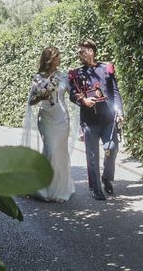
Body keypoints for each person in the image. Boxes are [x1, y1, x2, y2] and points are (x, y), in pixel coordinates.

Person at [68, 39, 124, 201]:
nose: (79, 54)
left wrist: (119, 111)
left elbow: (115, 91)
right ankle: (95, 188)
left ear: (91, 51)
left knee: (111, 148)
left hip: (108, 119)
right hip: (89, 121)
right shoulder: (76, 73)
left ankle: (107, 178)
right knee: (91, 156)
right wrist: (82, 101)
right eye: (78, 52)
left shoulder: (106, 68)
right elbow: (73, 94)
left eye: (82, 51)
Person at [22, 46, 76, 202]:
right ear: (49, 59)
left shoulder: (64, 77)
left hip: (62, 120)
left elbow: (74, 96)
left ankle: (60, 189)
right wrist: (41, 95)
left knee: (60, 153)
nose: (60, 58)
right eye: (57, 56)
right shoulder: (38, 78)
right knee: (51, 151)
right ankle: (42, 188)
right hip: (45, 118)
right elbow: (31, 102)